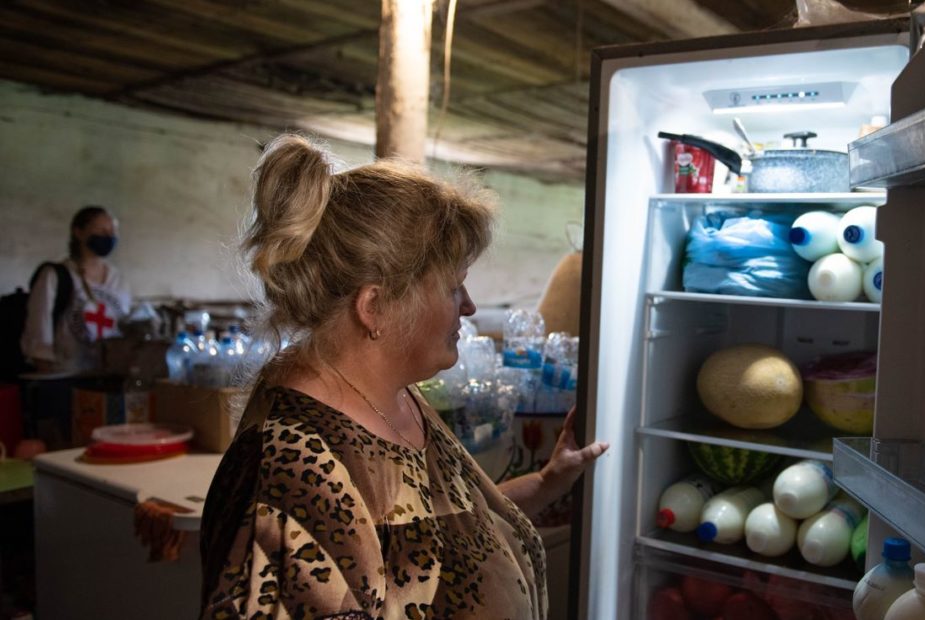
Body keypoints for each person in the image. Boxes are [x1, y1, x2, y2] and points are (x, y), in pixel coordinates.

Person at [200, 135, 608, 619]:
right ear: (376, 307)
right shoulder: (292, 472)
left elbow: (437, 523)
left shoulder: (391, 399)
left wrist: (546, 482)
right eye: (454, 287)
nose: (470, 306)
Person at [20, 205, 131, 373]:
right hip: (65, 374)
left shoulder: (118, 279)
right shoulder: (55, 276)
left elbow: (123, 324)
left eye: (112, 231)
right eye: (101, 231)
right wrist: (46, 376)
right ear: (79, 232)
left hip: (106, 376)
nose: (109, 236)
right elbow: (38, 329)